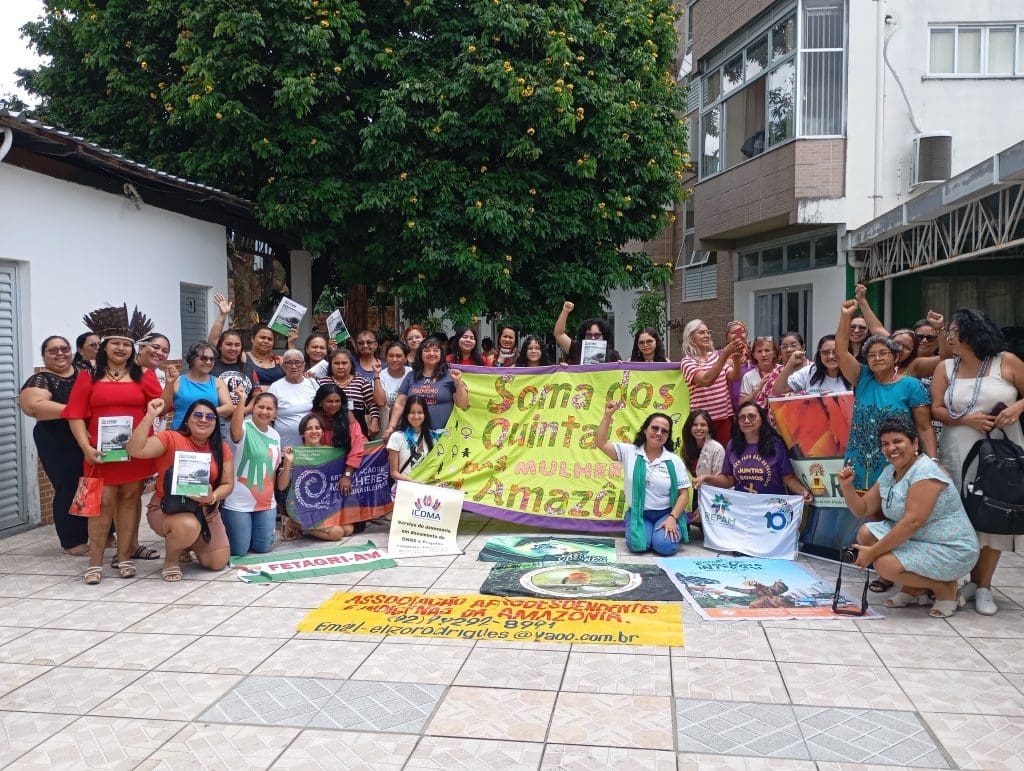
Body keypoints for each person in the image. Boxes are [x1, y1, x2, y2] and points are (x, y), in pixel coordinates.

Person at [838, 415, 980, 618]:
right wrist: (847, 487)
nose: (891, 448)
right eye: (885, 444)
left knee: (884, 564)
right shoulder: (890, 471)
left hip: (951, 548)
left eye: (897, 441)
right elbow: (862, 510)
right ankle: (914, 588)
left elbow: (911, 523)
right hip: (920, 541)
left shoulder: (925, 471)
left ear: (914, 443)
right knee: (866, 532)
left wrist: (871, 553)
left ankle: (944, 588)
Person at [932, 308, 1024, 616]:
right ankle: (961, 580)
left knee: (994, 511)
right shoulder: (946, 367)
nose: (949, 338)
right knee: (961, 514)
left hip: (1001, 447)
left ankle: (983, 585)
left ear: (973, 333)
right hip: (957, 447)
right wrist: (964, 418)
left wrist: (1018, 408)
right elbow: (936, 409)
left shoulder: (1006, 362)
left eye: (954, 333)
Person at [62, 305, 163, 583]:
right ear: (104, 346)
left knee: (130, 500)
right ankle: (95, 562)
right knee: (102, 503)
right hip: (100, 453)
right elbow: (75, 415)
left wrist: (160, 402)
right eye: (115, 343)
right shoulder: (88, 375)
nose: (121, 349)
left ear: (133, 349)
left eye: (126, 345)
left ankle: (125, 556)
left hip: (134, 452)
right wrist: (85, 447)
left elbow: (160, 405)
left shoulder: (144, 375)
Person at [128, 398, 235, 581]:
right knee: (187, 525)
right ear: (187, 419)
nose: (204, 420)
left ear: (216, 423)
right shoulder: (170, 438)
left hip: (204, 510)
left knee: (217, 562)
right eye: (198, 415)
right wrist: (149, 416)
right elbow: (135, 450)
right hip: (169, 508)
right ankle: (171, 560)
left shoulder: (220, 447)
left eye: (210, 416)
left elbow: (228, 484)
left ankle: (187, 543)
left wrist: (212, 497)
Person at [836, 299, 935, 491]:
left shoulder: (911, 386)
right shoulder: (862, 377)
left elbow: (924, 428)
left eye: (883, 353)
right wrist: (846, 316)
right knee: (860, 513)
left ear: (896, 357)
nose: (877, 358)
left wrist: (932, 462)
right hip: (859, 461)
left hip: (897, 460)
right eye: (871, 355)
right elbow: (840, 352)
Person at [19, 336, 89, 555]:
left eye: (64, 349)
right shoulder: (41, 379)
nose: (60, 353)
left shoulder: (84, 372)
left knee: (90, 486)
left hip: (88, 437)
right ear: (44, 356)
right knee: (68, 487)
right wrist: (75, 410)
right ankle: (72, 541)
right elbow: (33, 406)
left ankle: (101, 532)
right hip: (58, 441)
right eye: (53, 350)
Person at [594, 403, 690, 556]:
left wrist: (672, 518)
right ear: (645, 429)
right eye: (655, 428)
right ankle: (646, 534)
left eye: (664, 431)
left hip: (665, 513)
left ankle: (658, 535)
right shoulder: (629, 452)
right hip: (639, 513)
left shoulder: (673, 460)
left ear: (668, 436)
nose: (659, 433)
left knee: (665, 547)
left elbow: (684, 494)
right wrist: (607, 415)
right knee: (638, 546)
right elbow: (601, 443)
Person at [696, 403, 813, 501]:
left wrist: (803, 492)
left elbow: (788, 478)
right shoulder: (732, 445)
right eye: (742, 418)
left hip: (773, 507)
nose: (746, 420)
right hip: (743, 507)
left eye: (751, 416)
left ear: (761, 419)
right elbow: (729, 479)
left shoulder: (775, 444)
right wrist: (706, 478)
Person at [278, 411, 365, 541]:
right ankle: (292, 523)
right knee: (337, 533)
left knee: (348, 529)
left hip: (323, 504)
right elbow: (281, 486)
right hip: (299, 506)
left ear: (323, 432)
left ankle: (300, 526)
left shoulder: (331, 452)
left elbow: (355, 455)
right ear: (302, 433)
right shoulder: (296, 453)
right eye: (309, 428)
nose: (314, 431)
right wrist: (287, 464)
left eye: (317, 428)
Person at [221, 388, 282, 557]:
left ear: (275, 413)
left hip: (266, 502)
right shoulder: (244, 428)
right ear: (253, 408)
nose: (264, 412)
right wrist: (242, 400)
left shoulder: (275, 435)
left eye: (270, 409)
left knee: (263, 548)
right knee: (239, 551)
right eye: (260, 407)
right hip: (238, 501)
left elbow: (273, 471)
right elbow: (234, 431)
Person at [854, 284, 950, 379]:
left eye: (930, 337)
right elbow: (876, 328)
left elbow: (945, 359)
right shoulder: (896, 341)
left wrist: (940, 328)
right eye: (920, 337)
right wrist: (862, 300)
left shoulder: (915, 365)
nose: (900, 348)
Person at [679, 319, 745, 445]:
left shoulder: (715, 356)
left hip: (724, 418)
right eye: (701, 332)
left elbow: (735, 377)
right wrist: (725, 354)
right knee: (704, 458)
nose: (706, 335)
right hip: (701, 422)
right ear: (691, 337)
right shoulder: (687, 362)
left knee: (723, 457)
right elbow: (706, 380)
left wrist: (736, 359)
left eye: (708, 332)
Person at [386, 336, 470, 435]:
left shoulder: (451, 375)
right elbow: (400, 403)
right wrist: (391, 427)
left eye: (435, 350)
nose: (431, 353)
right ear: (420, 354)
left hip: (445, 436)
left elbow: (463, 405)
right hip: (415, 435)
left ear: (441, 354)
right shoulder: (411, 376)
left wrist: (458, 383)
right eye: (426, 350)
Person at [209, 293, 285, 385]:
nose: (266, 341)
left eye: (270, 339)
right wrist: (222, 315)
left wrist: (291, 342)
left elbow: (295, 373)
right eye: (262, 337)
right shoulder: (243, 357)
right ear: (252, 339)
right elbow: (214, 342)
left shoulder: (280, 360)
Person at [164, 342, 233, 430]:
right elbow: (163, 409)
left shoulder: (218, 382)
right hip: (180, 434)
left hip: (207, 434)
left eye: (212, 359)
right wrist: (169, 383)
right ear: (192, 358)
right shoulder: (177, 381)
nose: (208, 362)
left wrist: (204, 413)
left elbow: (229, 408)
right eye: (204, 358)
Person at [319, 349, 379, 438]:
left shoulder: (361, 381)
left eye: (344, 363)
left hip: (358, 430)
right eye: (336, 363)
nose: (340, 366)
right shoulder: (322, 382)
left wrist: (374, 422)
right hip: (329, 430)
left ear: (351, 364)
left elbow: (372, 404)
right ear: (330, 365)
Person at [680, 409, 725, 527]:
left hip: (710, 496)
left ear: (709, 427)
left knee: (706, 532)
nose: (699, 428)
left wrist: (702, 508)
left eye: (703, 425)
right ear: (689, 427)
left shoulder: (717, 449)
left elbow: (718, 484)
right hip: (691, 494)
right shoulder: (685, 448)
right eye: (695, 425)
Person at [268, 348, 319, 447]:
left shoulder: (312, 383)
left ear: (304, 365)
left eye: (298, 362)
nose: (294, 366)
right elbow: (268, 417)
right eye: (289, 363)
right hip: (285, 445)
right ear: (283, 366)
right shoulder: (275, 387)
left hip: (311, 446)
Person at [773, 334, 851, 395]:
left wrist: (835, 399)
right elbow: (779, 390)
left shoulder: (853, 374)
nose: (831, 356)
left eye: (835, 352)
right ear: (819, 354)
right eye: (825, 352)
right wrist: (790, 363)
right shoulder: (809, 371)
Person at [388, 396, 443, 482]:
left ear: (425, 414)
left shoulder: (433, 438)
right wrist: (413, 482)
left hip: (426, 490)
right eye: (412, 412)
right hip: (404, 489)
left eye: (420, 412)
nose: (416, 416)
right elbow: (394, 473)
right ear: (407, 414)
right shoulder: (396, 437)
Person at [210, 329, 258, 421]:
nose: (233, 348)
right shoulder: (211, 368)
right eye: (228, 344)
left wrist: (244, 410)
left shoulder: (249, 369)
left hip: (245, 419)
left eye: (237, 345)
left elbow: (257, 396)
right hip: (218, 419)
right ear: (220, 346)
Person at [553, 301, 621, 364]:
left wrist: (620, 367)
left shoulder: (612, 355)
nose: (593, 338)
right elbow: (559, 334)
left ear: (604, 336)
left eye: (597, 335)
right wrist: (565, 311)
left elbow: (623, 373)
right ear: (584, 336)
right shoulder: (577, 349)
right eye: (589, 335)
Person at [372, 341, 413, 431]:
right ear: (386, 358)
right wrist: (376, 375)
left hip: (410, 424)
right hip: (386, 425)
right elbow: (380, 402)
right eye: (391, 356)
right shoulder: (380, 375)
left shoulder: (412, 374)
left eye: (398, 356)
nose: (394, 359)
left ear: (406, 358)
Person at [739, 337, 781, 409]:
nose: (763, 354)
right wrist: (758, 389)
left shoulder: (783, 371)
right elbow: (742, 404)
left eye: (767, 350)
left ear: (774, 353)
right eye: (759, 351)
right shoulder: (748, 376)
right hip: (758, 417)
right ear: (754, 355)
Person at [724, 321, 754, 411]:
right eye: (733, 333)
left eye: (742, 332)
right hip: (728, 407)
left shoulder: (755, 355)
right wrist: (730, 361)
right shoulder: (720, 356)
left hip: (751, 405)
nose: (738, 335)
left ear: (747, 335)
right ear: (727, 337)